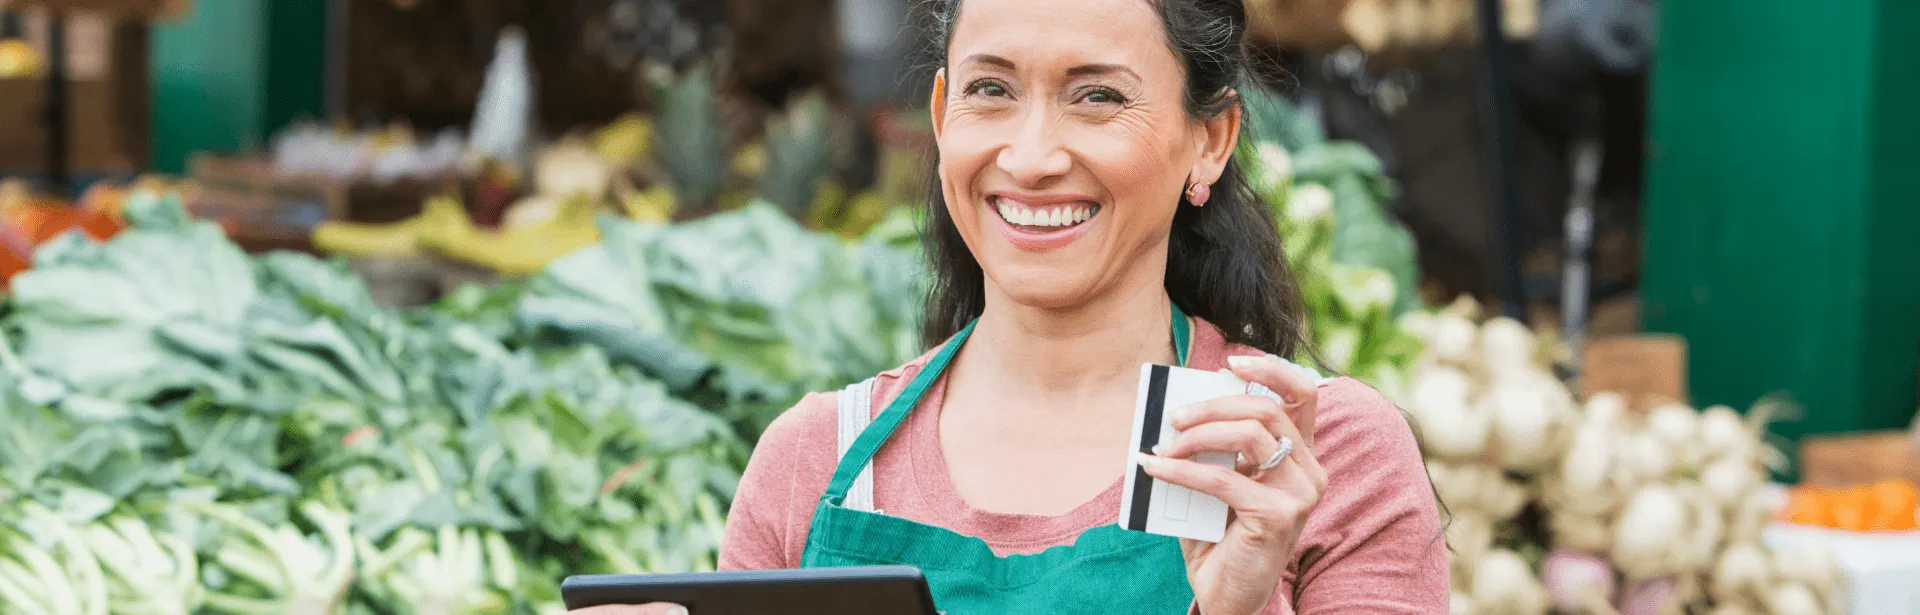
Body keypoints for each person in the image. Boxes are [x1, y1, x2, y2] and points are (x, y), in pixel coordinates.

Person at [573, 0, 1448, 612]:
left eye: (1098, 96)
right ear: (943, 116)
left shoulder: (1320, 460)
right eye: (992, 90)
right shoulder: (811, 460)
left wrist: (1240, 607)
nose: (1030, 157)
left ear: (1209, 140)